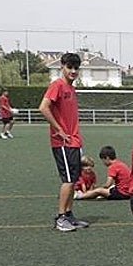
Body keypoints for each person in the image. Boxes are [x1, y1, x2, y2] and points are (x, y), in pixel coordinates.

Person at [39, 52, 89, 233]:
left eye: (76, 68)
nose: (73, 71)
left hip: (74, 141)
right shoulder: (57, 85)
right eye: (70, 67)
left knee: (74, 179)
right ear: (62, 67)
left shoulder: (71, 88)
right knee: (68, 180)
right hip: (62, 142)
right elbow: (43, 107)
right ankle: (61, 218)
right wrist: (59, 130)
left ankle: (68, 215)